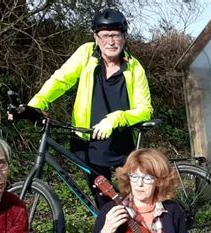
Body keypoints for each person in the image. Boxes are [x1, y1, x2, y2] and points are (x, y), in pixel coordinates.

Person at [27, 7, 153, 208]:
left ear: (124, 37)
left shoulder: (134, 67)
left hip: (120, 143)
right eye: (104, 36)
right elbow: (60, 80)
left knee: (135, 199)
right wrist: (36, 104)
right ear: (96, 37)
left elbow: (145, 109)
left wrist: (115, 119)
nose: (110, 42)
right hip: (88, 141)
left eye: (116, 35)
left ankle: (145, 230)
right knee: (102, 199)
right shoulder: (86, 54)